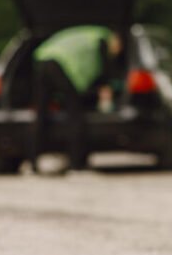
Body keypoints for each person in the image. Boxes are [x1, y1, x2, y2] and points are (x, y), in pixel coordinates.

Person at [32, 25, 123, 172]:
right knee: (75, 115)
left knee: (41, 113)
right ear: (116, 39)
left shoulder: (87, 34)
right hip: (62, 64)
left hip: (43, 59)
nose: (116, 52)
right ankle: (76, 162)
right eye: (118, 48)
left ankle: (32, 162)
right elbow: (105, 70)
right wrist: (105, 88)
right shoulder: (102, 39)